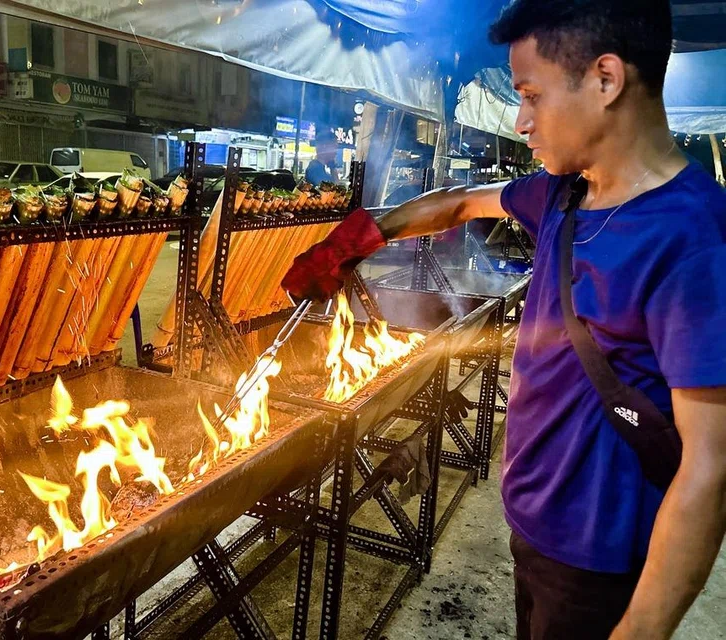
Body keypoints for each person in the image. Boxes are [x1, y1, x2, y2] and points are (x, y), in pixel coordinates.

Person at [281, 2, 726, 639]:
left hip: (595, 558)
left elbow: (711, 467)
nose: (521, 121)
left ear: (605, 79)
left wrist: (642, 630)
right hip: (532, 525)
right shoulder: (562, 194)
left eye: (531, 95)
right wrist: (362, 236)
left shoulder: (694, 237)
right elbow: (459, 201)